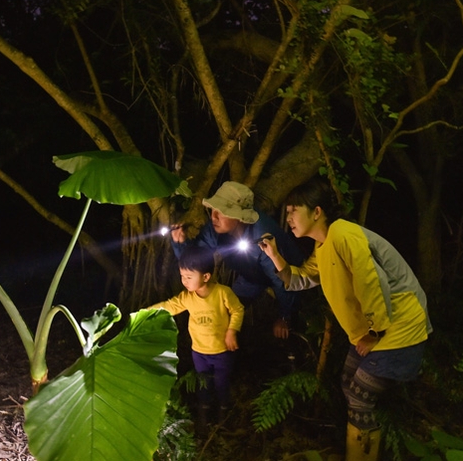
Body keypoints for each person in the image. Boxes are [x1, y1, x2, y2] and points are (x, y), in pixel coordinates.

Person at [258, 177, 432, 461]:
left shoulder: (343, 234)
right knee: (349, 384)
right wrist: (275, 255)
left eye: (294, 210)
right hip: (375, 329)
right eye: (287, 211)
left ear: (317, 212)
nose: (288, 217)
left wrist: (374, 333)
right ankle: (361, 452)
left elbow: (372, 281)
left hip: (398, 327)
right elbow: (301, 278)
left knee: (360, 397)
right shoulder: (324, 245)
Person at [170, 181, 305, 339]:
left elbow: (282, 279)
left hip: (292, 274)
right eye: (213, 209)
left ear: (240, 217)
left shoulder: (262, 235)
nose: (214, 216)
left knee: (291, 323)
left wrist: (284, 317)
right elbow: (195, 262)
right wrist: (180, 244)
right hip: (251, 277)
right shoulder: (215, 229)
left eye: (221, 211)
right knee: (226, 315)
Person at [147, 245, 244, 438]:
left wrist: (232, 331)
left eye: (189, 277)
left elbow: (238, 310)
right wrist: (146, 312)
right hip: (199, 351)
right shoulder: (187, 298)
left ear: (206, 276)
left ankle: (224, 412)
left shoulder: (222, 293)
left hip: (222, 351)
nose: (184, 281)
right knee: (203, 383)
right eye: (182, 275)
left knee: (222, 382)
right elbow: (169, 306)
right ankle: (204, 414)